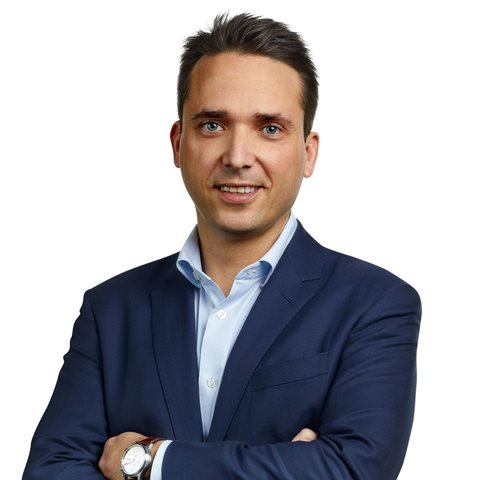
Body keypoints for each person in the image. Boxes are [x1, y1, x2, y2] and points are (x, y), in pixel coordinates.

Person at [23, 12, 421, 480]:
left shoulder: (374, 304)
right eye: (213, 125)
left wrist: (150, 462)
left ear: (307, 152)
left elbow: (352, 469)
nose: (237, 157)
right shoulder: (110, 310)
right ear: (178, 143)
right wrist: (287, 465)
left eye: (269, 128)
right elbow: (50, 471)